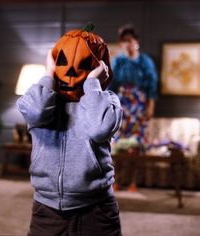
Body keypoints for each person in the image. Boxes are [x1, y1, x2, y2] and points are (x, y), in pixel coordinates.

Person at [17, 26, 123, 236]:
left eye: (84, 65)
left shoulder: (108, 100)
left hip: (97, 210)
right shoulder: (42, 99)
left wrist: (93, 84)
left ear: (100, 68)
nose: (72, 72)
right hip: (47, 211)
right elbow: (36, 113)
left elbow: (99, 128)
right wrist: (48, 73)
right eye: (63, 62)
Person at [109, 25, 158, 192]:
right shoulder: (119, 61)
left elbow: (152, 86)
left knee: (135, 146)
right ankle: (116, 180)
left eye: (130, 40)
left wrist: (150, 107)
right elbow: (112, 85)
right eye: (124, 41)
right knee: (117, 144)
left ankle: (132, 182)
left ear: (136, 41)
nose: (128, 44)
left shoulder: (145, 61)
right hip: (122, 105)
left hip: (138, 106)